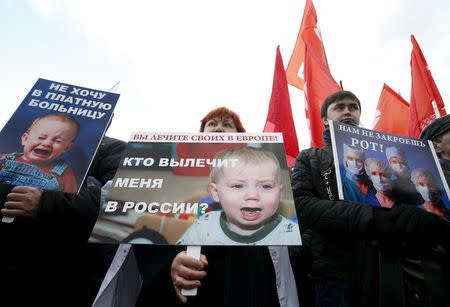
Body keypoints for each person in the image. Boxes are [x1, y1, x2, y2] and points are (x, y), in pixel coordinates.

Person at [291, 90, 449, 306]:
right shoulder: (311, 158)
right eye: (339, 107)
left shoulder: (379, 159)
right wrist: (372, 217)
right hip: (337, 272)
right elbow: (301, 205)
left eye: (353, 107)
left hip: (391, 267)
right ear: (325, 120)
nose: (347, 111)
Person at [166, 107, 299, 307]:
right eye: (212, 124)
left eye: (227, 125)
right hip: (203, 280)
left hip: (252, 274)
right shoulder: (184, 191)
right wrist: (175, 262)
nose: (219, 129)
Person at [0, 135, 127, 306]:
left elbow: (124, 199)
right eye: (42, 135)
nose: (46, 142)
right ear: (24, 137)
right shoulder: (8, 145)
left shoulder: (113, 149)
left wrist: (46, 202)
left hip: (64, 274)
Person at [177, 146, 300, 245]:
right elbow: (180, 257)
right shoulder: (203, 226)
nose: (252, 195)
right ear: (216, 193)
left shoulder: (292, 234)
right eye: (238, 186)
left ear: (280, 193)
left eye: (265, 186)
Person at [0, 113, 79, 193]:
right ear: (25, 139)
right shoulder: (3, 160)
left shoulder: (64, 174)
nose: (47, 143)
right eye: (41, 137)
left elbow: (66, 200)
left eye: (58, 141)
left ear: (66, 148)